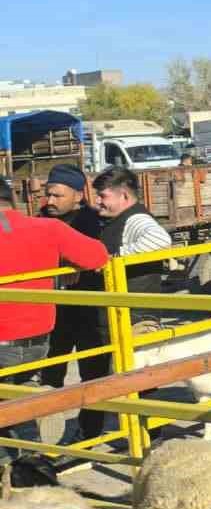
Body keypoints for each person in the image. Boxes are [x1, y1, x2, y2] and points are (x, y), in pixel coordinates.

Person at [0, 175, 109, 464]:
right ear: (11, 199)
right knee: (20, 403)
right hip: (38, 339)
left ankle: (26, 471)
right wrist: (65, 262)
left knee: (10, 411)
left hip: (3, 339)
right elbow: (98, 256)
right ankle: (32, 465)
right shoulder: (48, 228)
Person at [35, 166, 111, 444]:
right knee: (51, 371)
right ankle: (48, 435)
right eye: (48, 194)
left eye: (58, 195)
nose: (50, 201)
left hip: (89, 309)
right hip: (55, 309)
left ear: (78, 195)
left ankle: (89, 432)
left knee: (92, 371)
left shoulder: (92, 221)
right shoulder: (40, 220)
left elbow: (98, 256)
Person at [92, 167, 173, 297]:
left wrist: (114, 257)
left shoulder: (136, 218)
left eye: (102, 196)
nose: (97, 201)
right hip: (121, 307)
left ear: (124, 196)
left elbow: (161, 240)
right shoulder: (116, 219)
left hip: (136, 311)